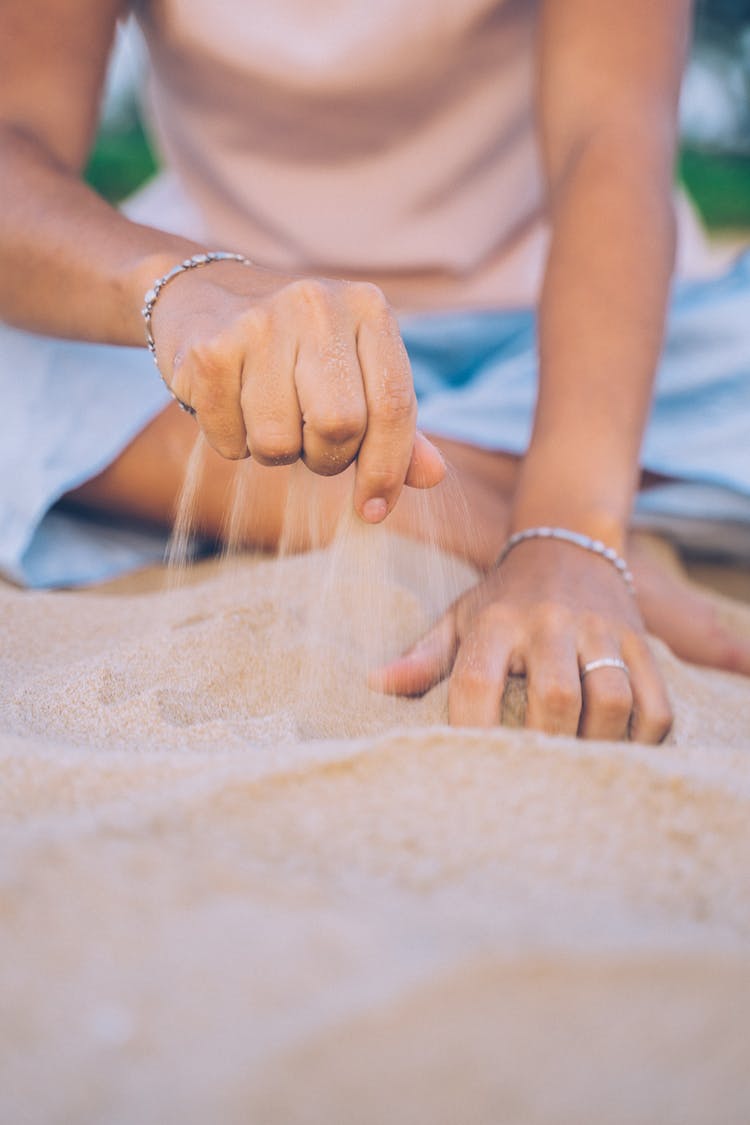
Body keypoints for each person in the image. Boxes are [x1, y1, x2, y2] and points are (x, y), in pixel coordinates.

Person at [1, 0, 749, 743]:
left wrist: (569, 523)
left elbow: (610, 140)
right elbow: (15, 143)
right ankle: (478, 502)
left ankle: (363, 473)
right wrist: (181, 285)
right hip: (253, 338)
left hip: (574, 331)